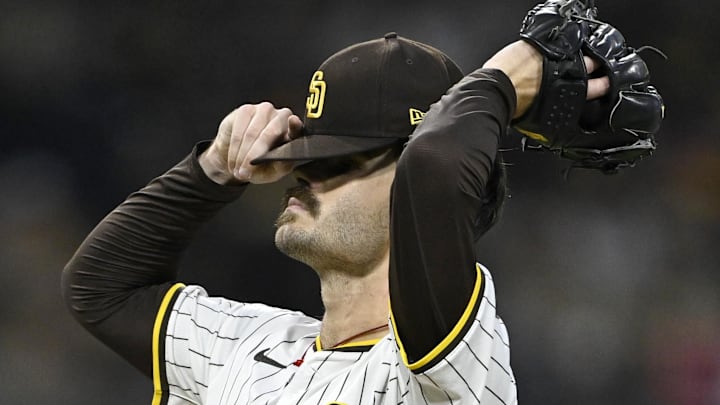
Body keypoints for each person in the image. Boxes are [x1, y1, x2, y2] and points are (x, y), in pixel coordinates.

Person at [62, 30, 609, 404]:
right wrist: (213, 169)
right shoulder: (250, 346)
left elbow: (436, 169)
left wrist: (507, 75)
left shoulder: (455, 364)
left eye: (338, 161)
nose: (304, 175)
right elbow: (100, 289)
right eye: (307, 156)